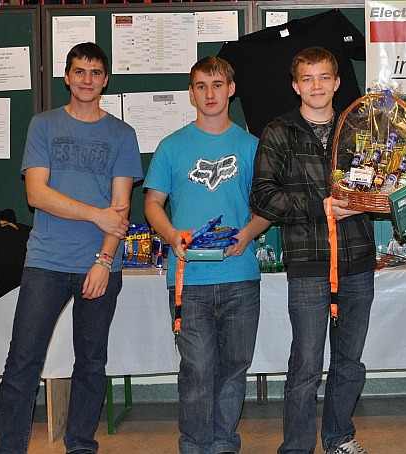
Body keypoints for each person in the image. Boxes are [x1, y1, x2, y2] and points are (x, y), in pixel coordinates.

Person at [250, 46, 406, 454]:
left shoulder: (362, 129)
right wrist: (320, 206)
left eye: (324, 77)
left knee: (349, 361)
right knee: (305, 364)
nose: (316, 86)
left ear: (336, 83)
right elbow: (263, 198)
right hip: (309, 263)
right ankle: (297, 446)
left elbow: (388, 184)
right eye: (307, 79)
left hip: (357, 262)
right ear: (295, 86)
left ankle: (339, 438)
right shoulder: (279, 132)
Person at [0, 42, 143, 454]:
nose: (87, 79)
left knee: (91, 363)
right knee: (23, 361)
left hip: (99, 265)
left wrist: (104, 260)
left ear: (105, 79)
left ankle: (80, 445)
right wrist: (96, 215)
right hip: (46, 261)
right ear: (67, 77)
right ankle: (9, 448)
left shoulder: (122, 134)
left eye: (95, 72)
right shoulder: (43, 125)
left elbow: (121, 208)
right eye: (79, 71)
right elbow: (37, 194)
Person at [143, 56, 270, 454]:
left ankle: (224, 444)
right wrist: (171, 235)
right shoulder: (171, 146)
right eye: (201, 86)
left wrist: (246, 235)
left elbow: (268, 207)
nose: (210, 93)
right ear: (191, 93)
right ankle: (195, 446)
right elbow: (152, 204)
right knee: (197, 369)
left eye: (217, 85)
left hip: (239, 276)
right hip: (189, 280)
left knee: (234, 368)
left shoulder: (252, 147)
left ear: (231, 89)